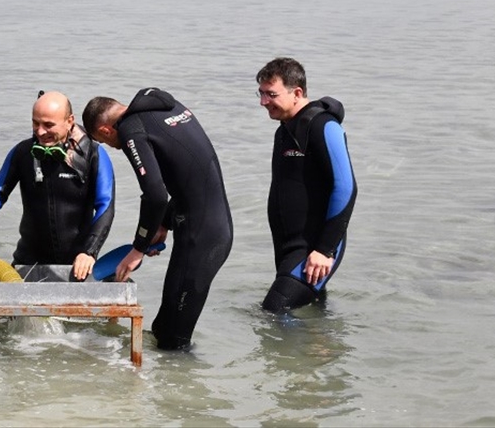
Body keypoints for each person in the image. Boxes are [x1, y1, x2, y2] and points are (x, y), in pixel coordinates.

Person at [82, 88, 234, 351]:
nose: (112, 147)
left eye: (105, 142)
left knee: (172, 340)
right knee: (165, 330)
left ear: (106, 131)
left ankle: (181, 388)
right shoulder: (163, 107)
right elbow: (188, 175)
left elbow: (155, 195)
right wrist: (163, 223)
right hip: (211, 226)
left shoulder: (131, 130)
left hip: (202, 240)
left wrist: (138, 248)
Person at [0, 91, 114, 281]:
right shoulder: (23, 153)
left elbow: (105, 206)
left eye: (48, 125)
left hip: (77, 265)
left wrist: (88, 252)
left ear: (70, 121)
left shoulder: (94, 156)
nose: (40, 131)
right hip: (28, 262)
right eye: (36, 123)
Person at [255, 57, 358, 312]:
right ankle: (319, 349)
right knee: (310, 311)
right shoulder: (284, 130)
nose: (263, 102)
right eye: (261, 94)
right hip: (289, 246)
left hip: (315, 247)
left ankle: (299, 352)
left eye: (271, 94)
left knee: (274, 311)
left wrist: (324, 250)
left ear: (297, 92)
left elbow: (346, 187)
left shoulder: (323, 125)